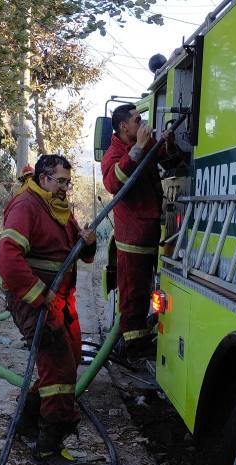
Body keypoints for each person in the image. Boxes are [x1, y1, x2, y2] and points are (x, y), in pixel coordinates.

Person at [0, 154, 97, 465]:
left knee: (71, 358)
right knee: (59, 366)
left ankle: (23, 424)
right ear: (43, 179)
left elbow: (81, 254)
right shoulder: (27, 206)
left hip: (61, 301)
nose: (65, 188)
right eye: (60, 181)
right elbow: (7, 260)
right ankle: (49, 447)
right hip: (33, 299)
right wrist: (41, 295)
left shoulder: (59, 209)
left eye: (68, 181)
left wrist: (89, 242)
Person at [100, 103, 167, 360]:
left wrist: (165, 142)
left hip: (150, 230)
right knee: (133, 292)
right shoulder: (114, 153)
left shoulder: (143, 143)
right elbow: (113, 182)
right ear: (123, 126)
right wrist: (137, 149)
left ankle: (138, 339)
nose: (142, 123)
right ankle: (132, 346)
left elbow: (162, 156)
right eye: (137, 120)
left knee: (147, 287)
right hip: (132, 236)